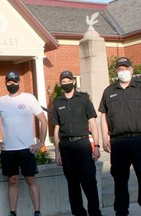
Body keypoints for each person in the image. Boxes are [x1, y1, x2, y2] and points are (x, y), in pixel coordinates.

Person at [0, 71, 47, 216]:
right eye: (9, 82)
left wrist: (41, 142)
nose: (12, 84)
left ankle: (37, 212)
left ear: (19, 82)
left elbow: (43, 121)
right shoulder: (1, 101)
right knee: (13, 180)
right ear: (5, 83)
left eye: (15, 81)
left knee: (30, 179)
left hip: (27, 149)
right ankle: (13, 212)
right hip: (8, 150)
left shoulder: (29, 98)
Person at [52, 71, 102, 216]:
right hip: (66, 147)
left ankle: (95, 213)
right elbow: (56, 129)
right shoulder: (58, 102)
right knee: (72, 185)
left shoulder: (84, 99)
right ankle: (79, 213)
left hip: (83, 145)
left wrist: (97, 146)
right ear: (61, 83)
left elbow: (93, 123)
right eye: (63, 80)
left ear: (74, 81)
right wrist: (57, 152)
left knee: (89, 183)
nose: (66, 82)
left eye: (69, 80)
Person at [99, 57, 141, 216]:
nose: (123, 71)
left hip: (139, 140)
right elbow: (103, 116)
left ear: (131, 70)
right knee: (120, 179)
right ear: (116, 71)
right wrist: (104, 138)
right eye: (120, 69)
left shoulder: (139, 87)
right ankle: (121, 211)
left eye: (126, 68)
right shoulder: (109, 91)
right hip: (118, 142)